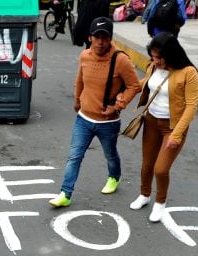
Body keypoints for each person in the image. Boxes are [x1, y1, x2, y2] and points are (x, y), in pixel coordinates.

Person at [49, 17, 142, 207]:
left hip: (107, 122)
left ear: (110, 39)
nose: (100, 42)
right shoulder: (85, 55)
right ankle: (65, 194)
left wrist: (118, 106)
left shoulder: (121, 60)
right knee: (74, 156)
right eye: (97, 37)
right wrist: (77, 101)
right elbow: (80, 80)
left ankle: (114, 177)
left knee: (110, 154)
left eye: (104, 38)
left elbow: (134, 86)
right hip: (84, 118)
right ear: (90, 37)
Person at [127, 32, 198, 222]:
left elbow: (191, 106)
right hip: (151, 121)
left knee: (160, 169)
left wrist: (177, 135)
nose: (155, 61)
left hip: (172, 127)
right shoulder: (153, 67)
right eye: (153, 57)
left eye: (159, 57)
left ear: (171, 53)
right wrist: (125, 91)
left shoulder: (188, 73)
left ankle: (160, 202)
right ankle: (144, 195)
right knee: (147, 165)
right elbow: (146, 84)